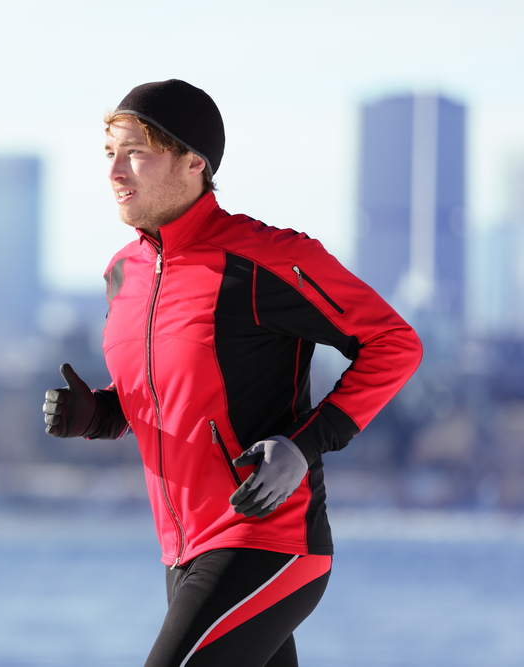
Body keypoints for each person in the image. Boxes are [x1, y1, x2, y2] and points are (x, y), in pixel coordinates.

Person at [42, 80, 423, 667]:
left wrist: (306, 444)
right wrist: (100, 414)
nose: (116, 171)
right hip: (182, 551)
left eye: (136, 152)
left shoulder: (265, 258)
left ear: (194, 162)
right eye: (110, 154)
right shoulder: (123, 273)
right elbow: (166, 394)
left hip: (268, 539)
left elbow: (393, 343)